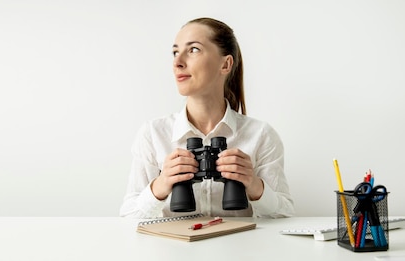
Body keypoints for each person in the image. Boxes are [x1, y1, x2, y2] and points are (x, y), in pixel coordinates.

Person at [119, 17, 294, 219]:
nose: (177, 62)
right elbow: (128, 217)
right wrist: (161, 185)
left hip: (239, 248)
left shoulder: (261, 135)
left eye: (193, 49)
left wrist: (255, 186)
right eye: (175, 52)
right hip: (174, 249)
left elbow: (285, 215)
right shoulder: (153, 133)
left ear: (225, 64)